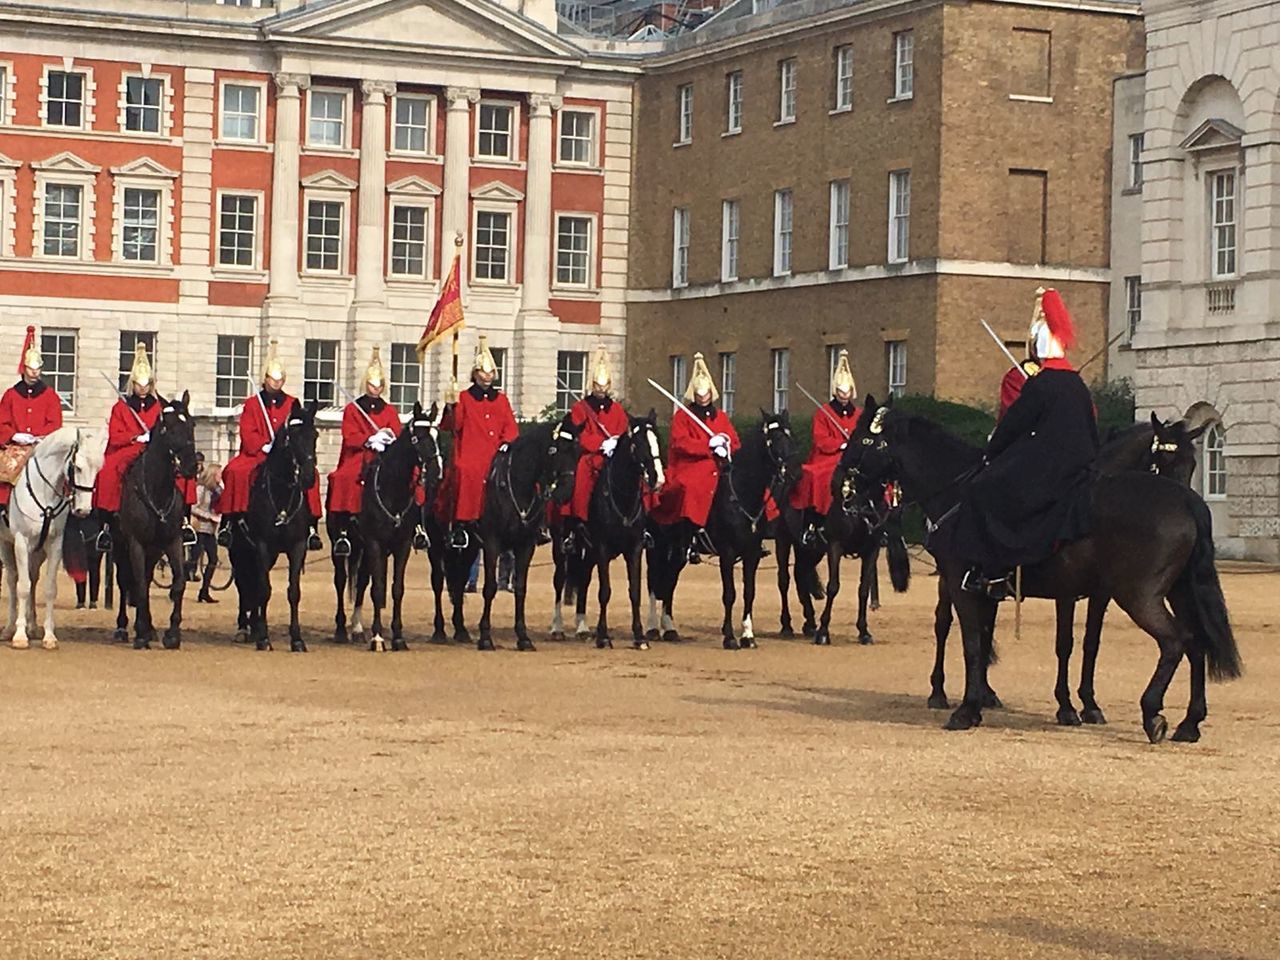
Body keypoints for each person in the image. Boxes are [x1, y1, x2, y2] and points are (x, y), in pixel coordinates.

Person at [952, 287, 1099, 599]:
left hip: (1049, 467)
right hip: (1081, 465)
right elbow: (1091, 427)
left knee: (983, 488)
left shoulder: (1040, 385)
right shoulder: (1078, 384)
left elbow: (1012, 427)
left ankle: (991, 572)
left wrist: (992, 452)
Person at [217, 341, 324, 549]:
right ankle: (229, 522)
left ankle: (311, 525)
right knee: (234, 472)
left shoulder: (292, 403)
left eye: (280, 379)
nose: (276, 383)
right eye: (272, 379)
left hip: (285, 455)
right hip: (256, 454)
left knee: (312, 475)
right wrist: (261, 446)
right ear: (265, 379)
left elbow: (298, 429)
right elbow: (247, 432)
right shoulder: (252, 404)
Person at [649, 352, 739, 562]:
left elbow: (735, 441)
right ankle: (692, 536)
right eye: (699, 395)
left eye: (706, 394)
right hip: (692, 465)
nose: (703, 398)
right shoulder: (682, 416)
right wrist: (707, 446)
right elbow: (680, 443)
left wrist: (725, 444)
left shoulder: (721, 417)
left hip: (721, 465)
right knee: (692, 486)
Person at [436, 335, 518, 551]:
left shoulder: (501, 399)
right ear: (475, 374)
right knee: (466, 471)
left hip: (497, 454)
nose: (488, 376)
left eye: (491, 372)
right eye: (483, 372)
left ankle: (528, 521)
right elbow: (453, 425)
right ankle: (463, 522)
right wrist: (451, 406)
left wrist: (507, 442)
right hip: (471, 454)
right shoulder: (464, 397)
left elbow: (510, 426)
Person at [326, 346, 402, 558]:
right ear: (365, 385)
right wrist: (368, 439)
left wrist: (386, 438)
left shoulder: (389, 410)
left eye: (378, 386)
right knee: (344, 478)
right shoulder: (353, 409)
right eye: (371, 385)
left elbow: (395, 431)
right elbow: (349, 435)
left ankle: (413, 527)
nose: (375, 389)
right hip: (358, 457)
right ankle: (343, 528)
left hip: (383, 458)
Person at [560, 345, 629, 555]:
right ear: (592, 385)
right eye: (598, 385)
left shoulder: (617, 409)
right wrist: (600, 444)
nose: (601, 389)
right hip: (591, 456)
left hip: (614, 457)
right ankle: (577, 521)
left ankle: (641, 526)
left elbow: (623, 430)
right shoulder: (581, 408)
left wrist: (617, 442)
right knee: (581, 477)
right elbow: (579, 436)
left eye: (604, 385)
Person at [93, 344, 162, 553]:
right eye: (139, 384)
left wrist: (154, 437)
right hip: (127, 449)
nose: (143, 388)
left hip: (153, 450)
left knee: (179, 474)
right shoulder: (121, 407)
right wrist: (135, 436)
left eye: (146, 384)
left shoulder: (158, 407)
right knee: (107, 471)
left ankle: (183, 520)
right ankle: (106, 521)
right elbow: (115, 435)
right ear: (133, 384)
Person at [789, 349, 860, 545]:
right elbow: (820, 440)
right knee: (818, 476)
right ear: (835, 392)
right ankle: (814, 522)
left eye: (847, 393)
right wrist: (841, 444)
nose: (844, 396)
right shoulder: (824, 413)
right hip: (828, 457)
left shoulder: (859, 414)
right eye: (840, 392)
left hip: (853, 458)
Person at [0, 326, 64, 524]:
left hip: (41, 446)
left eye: (38, 369)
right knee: (4, 469)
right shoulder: (11, 395)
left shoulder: (50, 395)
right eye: (31, 369)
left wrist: (39, 436)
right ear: (24, 369)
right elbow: (2, 422)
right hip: (15, 446)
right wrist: (13, 436)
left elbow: (55, 423)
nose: (35, 373)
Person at [191, 460, 223, 603]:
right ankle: (177, 586)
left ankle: (204, 590)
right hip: (199, 528)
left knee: (213, 559)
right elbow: (194, 507)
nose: (220, 477)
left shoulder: (217, 490)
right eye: (219, 474)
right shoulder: (201, 489)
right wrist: (210, 516)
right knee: (193, 559)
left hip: (210, 530)